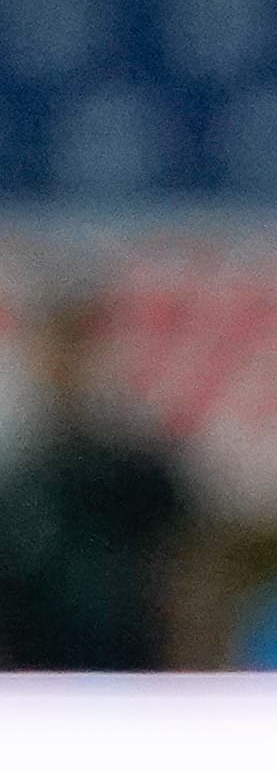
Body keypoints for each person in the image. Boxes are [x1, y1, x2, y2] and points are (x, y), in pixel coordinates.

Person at [0, 282, 211, 671]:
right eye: (57, 342)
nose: (69, 360)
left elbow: (182, 573)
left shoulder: (138, 464)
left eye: (82, 342)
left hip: (129, 675)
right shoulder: (17, 471)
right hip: (30, 682)